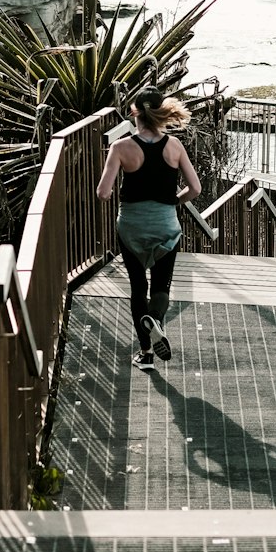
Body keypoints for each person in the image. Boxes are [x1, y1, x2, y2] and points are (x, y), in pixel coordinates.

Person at [96, 87, 202, 370]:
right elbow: (195, 188)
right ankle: (155, 319)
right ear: (160, 111)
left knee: (137, 286)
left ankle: (146, 353)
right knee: (161, 285)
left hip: (131, 227)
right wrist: (172, 203)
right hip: (166, 224)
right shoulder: (174, 146)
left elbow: (103, 192)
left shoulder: (120, 147)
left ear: (134, 113)